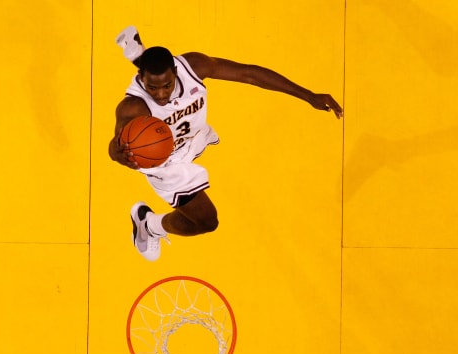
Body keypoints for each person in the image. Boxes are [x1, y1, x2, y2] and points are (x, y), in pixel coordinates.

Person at [111, 26, 343, 261]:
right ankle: (149, 225)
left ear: (176, 72)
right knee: (206, 222)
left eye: (167, 85)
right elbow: (113, 147)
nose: (160, 94)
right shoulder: (133, 107)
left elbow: (249, 74)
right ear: (141, 80)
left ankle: (140, 56)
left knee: (160, 74)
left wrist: (309, 95)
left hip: (191, 137)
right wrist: (118, 153)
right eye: (152, 87)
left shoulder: (193, 66)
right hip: (165, 163)